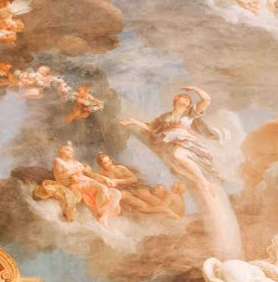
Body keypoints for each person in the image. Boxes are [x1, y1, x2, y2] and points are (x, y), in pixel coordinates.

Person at [120, 86, 241, 258]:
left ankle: (203, 181)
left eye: (187, 100)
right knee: (177, 165)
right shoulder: (165, 118)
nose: (185, 101)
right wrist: (133, 122)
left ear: (188, 104)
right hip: (173, 145)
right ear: (175, 101)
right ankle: (200, 180)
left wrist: (193, 89)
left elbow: (206, 100)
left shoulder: (189, 115)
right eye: (182, 98)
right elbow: (151, 129)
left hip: (187, 143)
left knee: (178, 155)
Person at [33, 143, 123, 228]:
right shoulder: (58, 161)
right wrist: (74, 171)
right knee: (102, 188)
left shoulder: (76, 163)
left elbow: (92, 175)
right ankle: (100, 215)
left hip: (86, 181)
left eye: (72, 151)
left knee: (117, 193)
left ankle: (103, 216)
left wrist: (105, 178)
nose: (71, 152)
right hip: (75, 184)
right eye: (68, 150)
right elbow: (59, 177)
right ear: (61, 151)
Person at [95, 154, 183, 220]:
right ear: (101, 165)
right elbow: (107, 188)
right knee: (139, 203)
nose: (109, 164)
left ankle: (168, 210)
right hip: (123, 190)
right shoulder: (102, 175)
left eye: (109, 161)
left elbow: (133, 179)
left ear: (111, 160)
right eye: (105, 163)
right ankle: (160, 213)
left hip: (134, 185)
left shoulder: (120, 168)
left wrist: (117, 181)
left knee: (144, 195)